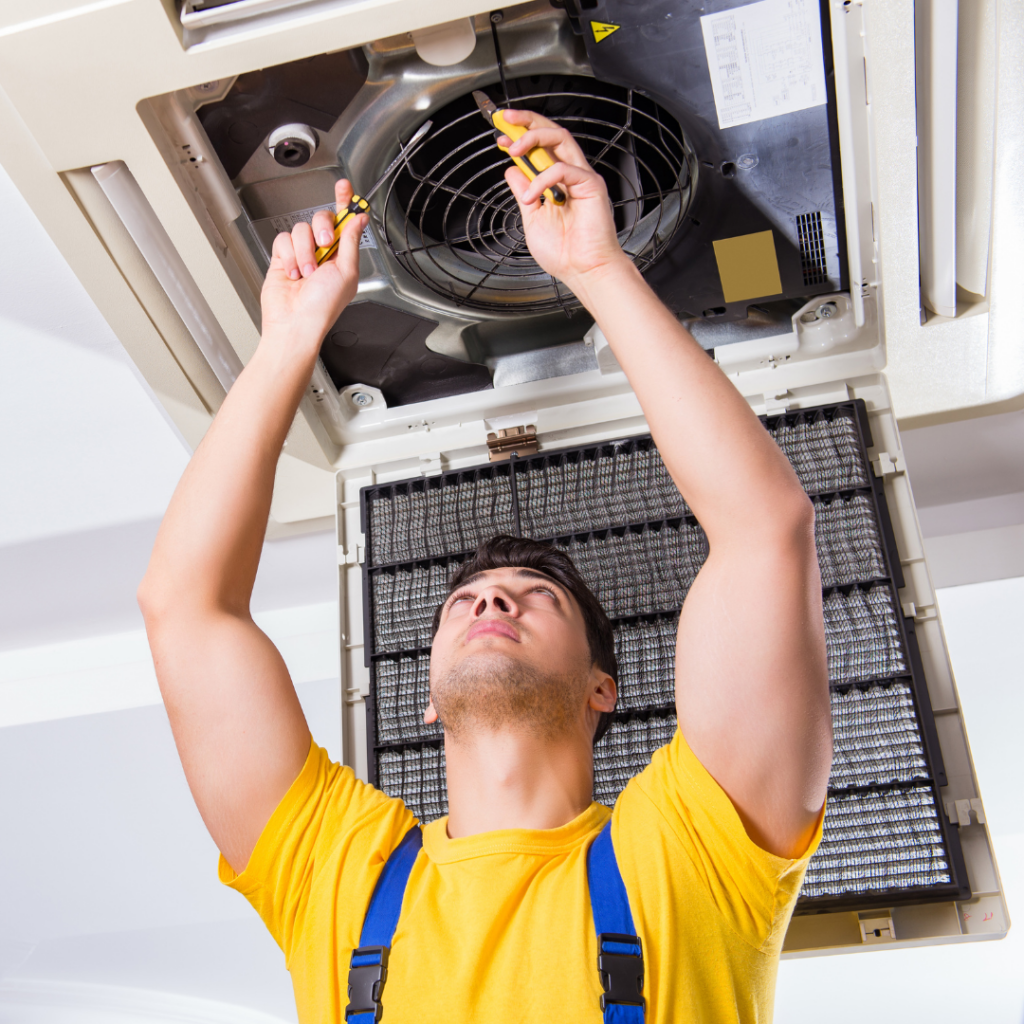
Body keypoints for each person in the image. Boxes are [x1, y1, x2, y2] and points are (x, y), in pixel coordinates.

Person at [139, 109, 832, 1023]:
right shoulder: (339, 871)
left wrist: (598, 268)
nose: (492, 597)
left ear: (601, 688)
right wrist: (284, 341)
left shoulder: (696, 851)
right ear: (425, 695)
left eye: (535, 595)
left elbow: (764, 530)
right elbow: (181, 606)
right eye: (465, 599)